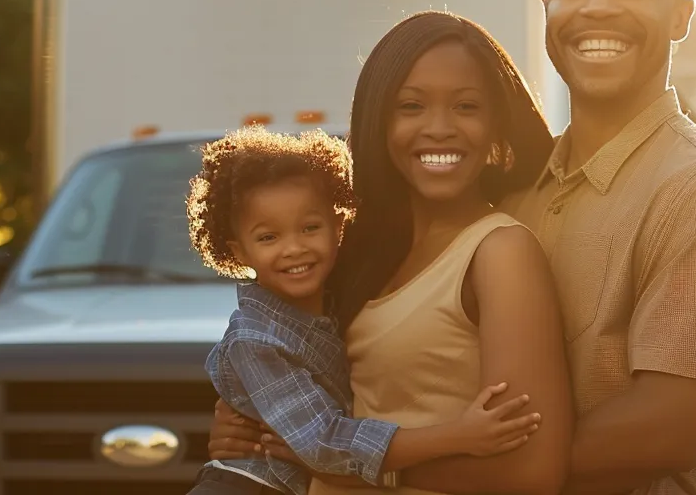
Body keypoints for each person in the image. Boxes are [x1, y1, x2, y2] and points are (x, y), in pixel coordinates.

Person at [213, 0, 696, 495]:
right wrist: (265, 413)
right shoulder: (517, 193)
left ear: (680, 17)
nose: (598, 5)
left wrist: (363, 459)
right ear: (547, 12)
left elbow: (663, 433)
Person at [183, 126, 550, 495]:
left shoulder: (340, 296)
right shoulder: (256, 340)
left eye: (310, 227)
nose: (294, 248)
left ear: (338, 227)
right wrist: (456, 436)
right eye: (268, 237)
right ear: (239, 252)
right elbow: (325, 443)